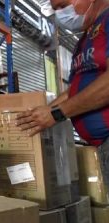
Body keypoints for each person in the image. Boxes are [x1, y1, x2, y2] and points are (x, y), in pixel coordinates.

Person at [16, 0, 109, 183]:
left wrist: (57, 113)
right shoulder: (85, 39)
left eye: (62, 5)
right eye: (56, 9)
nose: (60, 14)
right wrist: (40, 115)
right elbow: (74, 90)